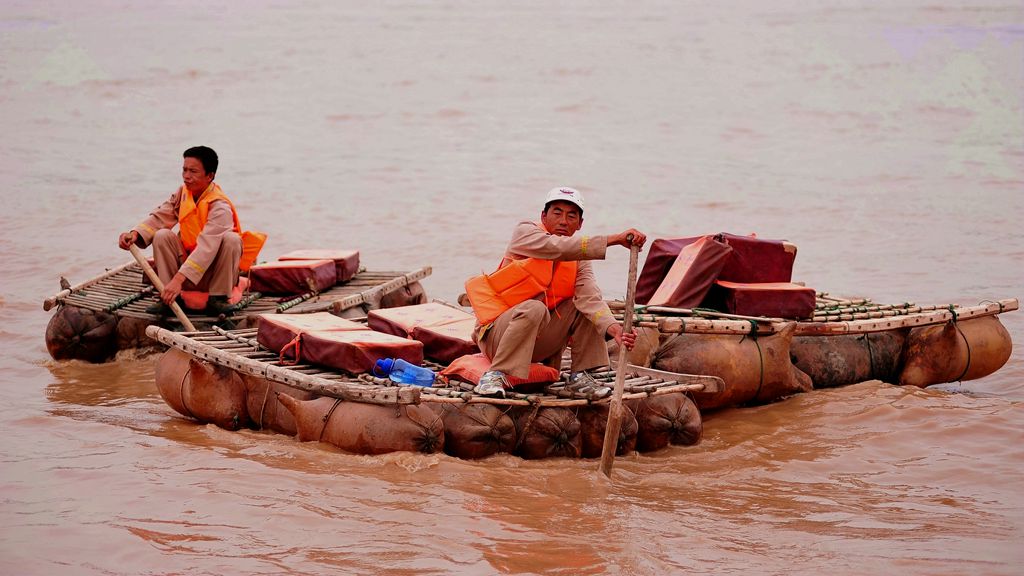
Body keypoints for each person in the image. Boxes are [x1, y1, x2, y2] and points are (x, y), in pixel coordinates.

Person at [466, 186, 647, 397]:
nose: (563, 221)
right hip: (498, 336)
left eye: (572, 216)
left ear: (580, 224)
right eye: (557, 213)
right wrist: (614, 240)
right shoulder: (525, 233)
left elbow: (590, 299)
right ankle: (496, 375)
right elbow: (557, 247)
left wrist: (614, 329)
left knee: (582, 306)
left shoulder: (580, 259)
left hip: (539, 342)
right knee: (535, 308)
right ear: (544, 216)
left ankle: (580, 377)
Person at [117, 146, 264, 316]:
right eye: (184, 170)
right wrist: (134, 234)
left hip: (213, 276)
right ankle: (171, 298)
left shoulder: (220, 207)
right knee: (162, 235)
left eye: (193, 171)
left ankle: (218, 299)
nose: (187, 176)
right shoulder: (183, 193)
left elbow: (206, 249)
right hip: (187, 271)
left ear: (210, 176)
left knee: (232, 239)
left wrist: (178, 279)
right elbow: (161, 215)